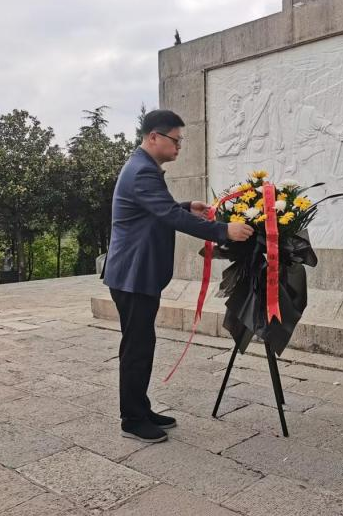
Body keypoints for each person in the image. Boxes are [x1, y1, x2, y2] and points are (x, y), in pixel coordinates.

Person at [103, 109, 253, 443]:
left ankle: (141, 408)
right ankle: (132, 419)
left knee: (142, 343)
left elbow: (160, 211)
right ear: (153, 137)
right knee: (137, 347)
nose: (179, 146)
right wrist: (224, 230)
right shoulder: (142, 171)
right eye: (176, 140)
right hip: (133, 275)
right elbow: (168, 216)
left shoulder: (142, 167)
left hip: (136, 273)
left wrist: (186, 207)